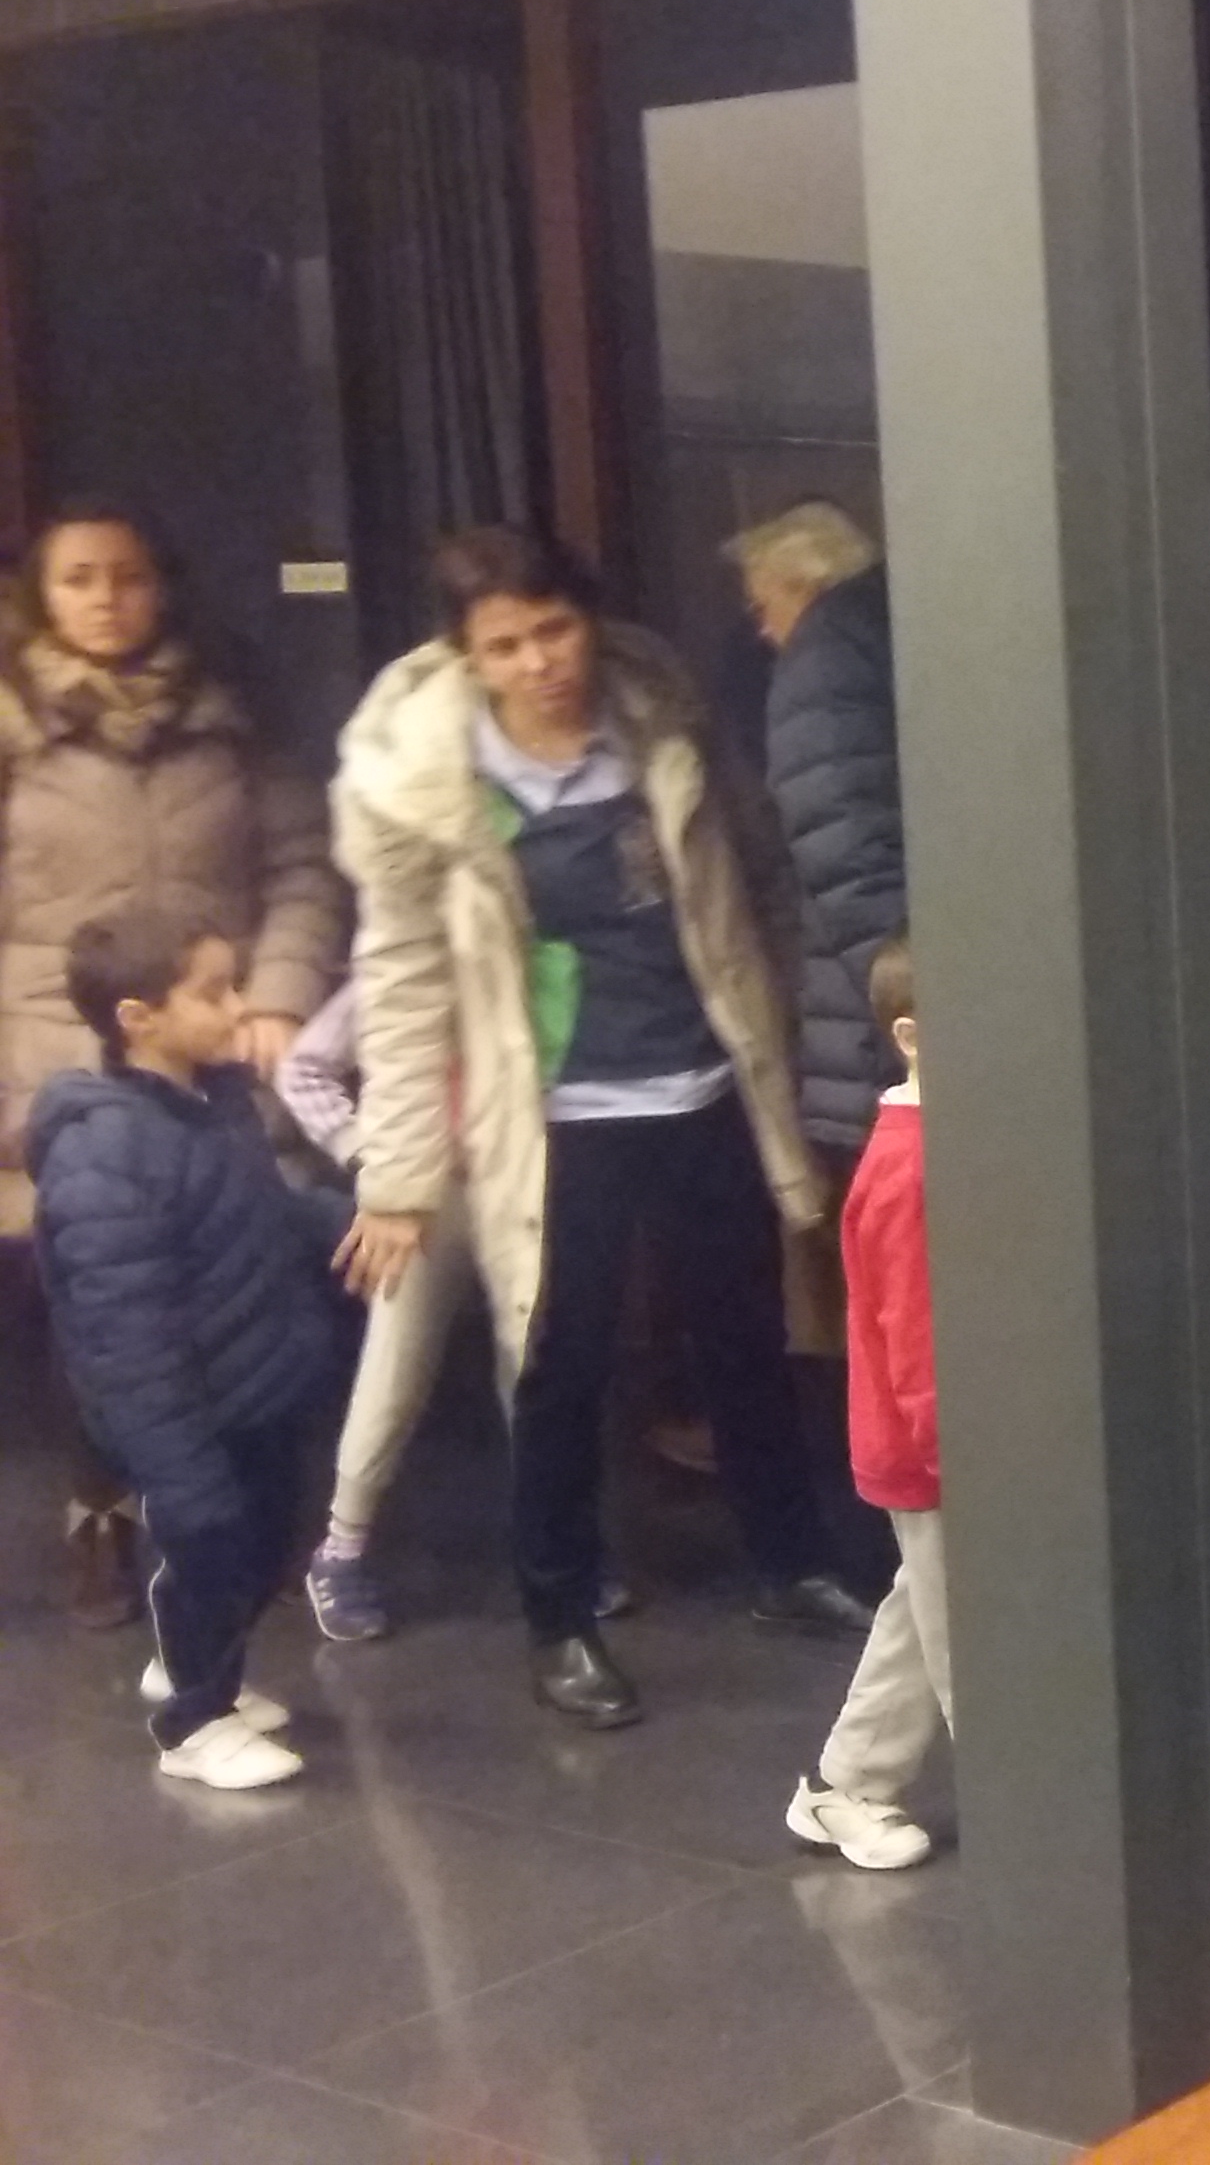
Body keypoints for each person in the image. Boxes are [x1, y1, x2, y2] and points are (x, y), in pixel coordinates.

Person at [333, 523, 869, 1731]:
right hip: (556, 1118)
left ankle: (790, 1564)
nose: (539, 663)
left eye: (555, 628)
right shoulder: (422, 780)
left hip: (703, 1081)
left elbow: (756, 867)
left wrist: (772, 1018)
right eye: (505, 645)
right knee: (557, 1367)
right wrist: (398, 1177)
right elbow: (403, 982)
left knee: (746, 1338)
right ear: (467, 656)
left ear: (591, 619)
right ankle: (560, 1617)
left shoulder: (656, 706)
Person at [0, 500, 347, 1628]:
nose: (106, 599)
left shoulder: (231, 715)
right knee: (99, 1304)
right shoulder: (8, 725)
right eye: (79, 579)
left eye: (128, 576)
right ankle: (100, 1511)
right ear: (41, 597)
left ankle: (252, 1517)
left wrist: (278, 995)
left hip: (217, 1042)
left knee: (247, 1275)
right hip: (59, 1054)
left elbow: (302, 868)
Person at [27, 905, 352, 1789]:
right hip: (189, 1413)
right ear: (139, 1018)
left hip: (257, 1385)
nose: (239, 1007)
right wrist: (175, 1464)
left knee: (259, 1546)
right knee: (205, 1550)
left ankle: (203, 1669)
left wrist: (344, 1223)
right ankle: (193, 1722)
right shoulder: (105, 1152)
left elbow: (258, 1209)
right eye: (213, 993)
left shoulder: (217, 1101)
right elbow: (124, 1333)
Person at [274, 978, 637, 1641]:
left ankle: (558, 1539)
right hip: (426, 1199)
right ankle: (340, 1549)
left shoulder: (544, 966)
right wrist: (371, 1157)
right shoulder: (404, 971)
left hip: (523, 1187)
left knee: (530, 1370)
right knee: (395, 1369)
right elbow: (304, 1068)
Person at [739, 495, 909, 1587]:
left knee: (868, 1323)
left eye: (766, 604)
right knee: (872, 1321)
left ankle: (874, 1558)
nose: (763, 629)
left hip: (871, 1051)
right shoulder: (866, 647)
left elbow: (853, 866)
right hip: (880, 1039)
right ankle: (874, 1555)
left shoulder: (833, 648)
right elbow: (853, 860)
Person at [788, 934, 951, 1872]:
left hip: (928, 1448)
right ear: (911, 1036)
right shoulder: (909, 1169)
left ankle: (845, 1787)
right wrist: (949, 1444)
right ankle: (1050, 1824)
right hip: (933, 1452)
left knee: (922, 1615)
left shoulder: (925, 1151)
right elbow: (914, 1328)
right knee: (969, 1638)